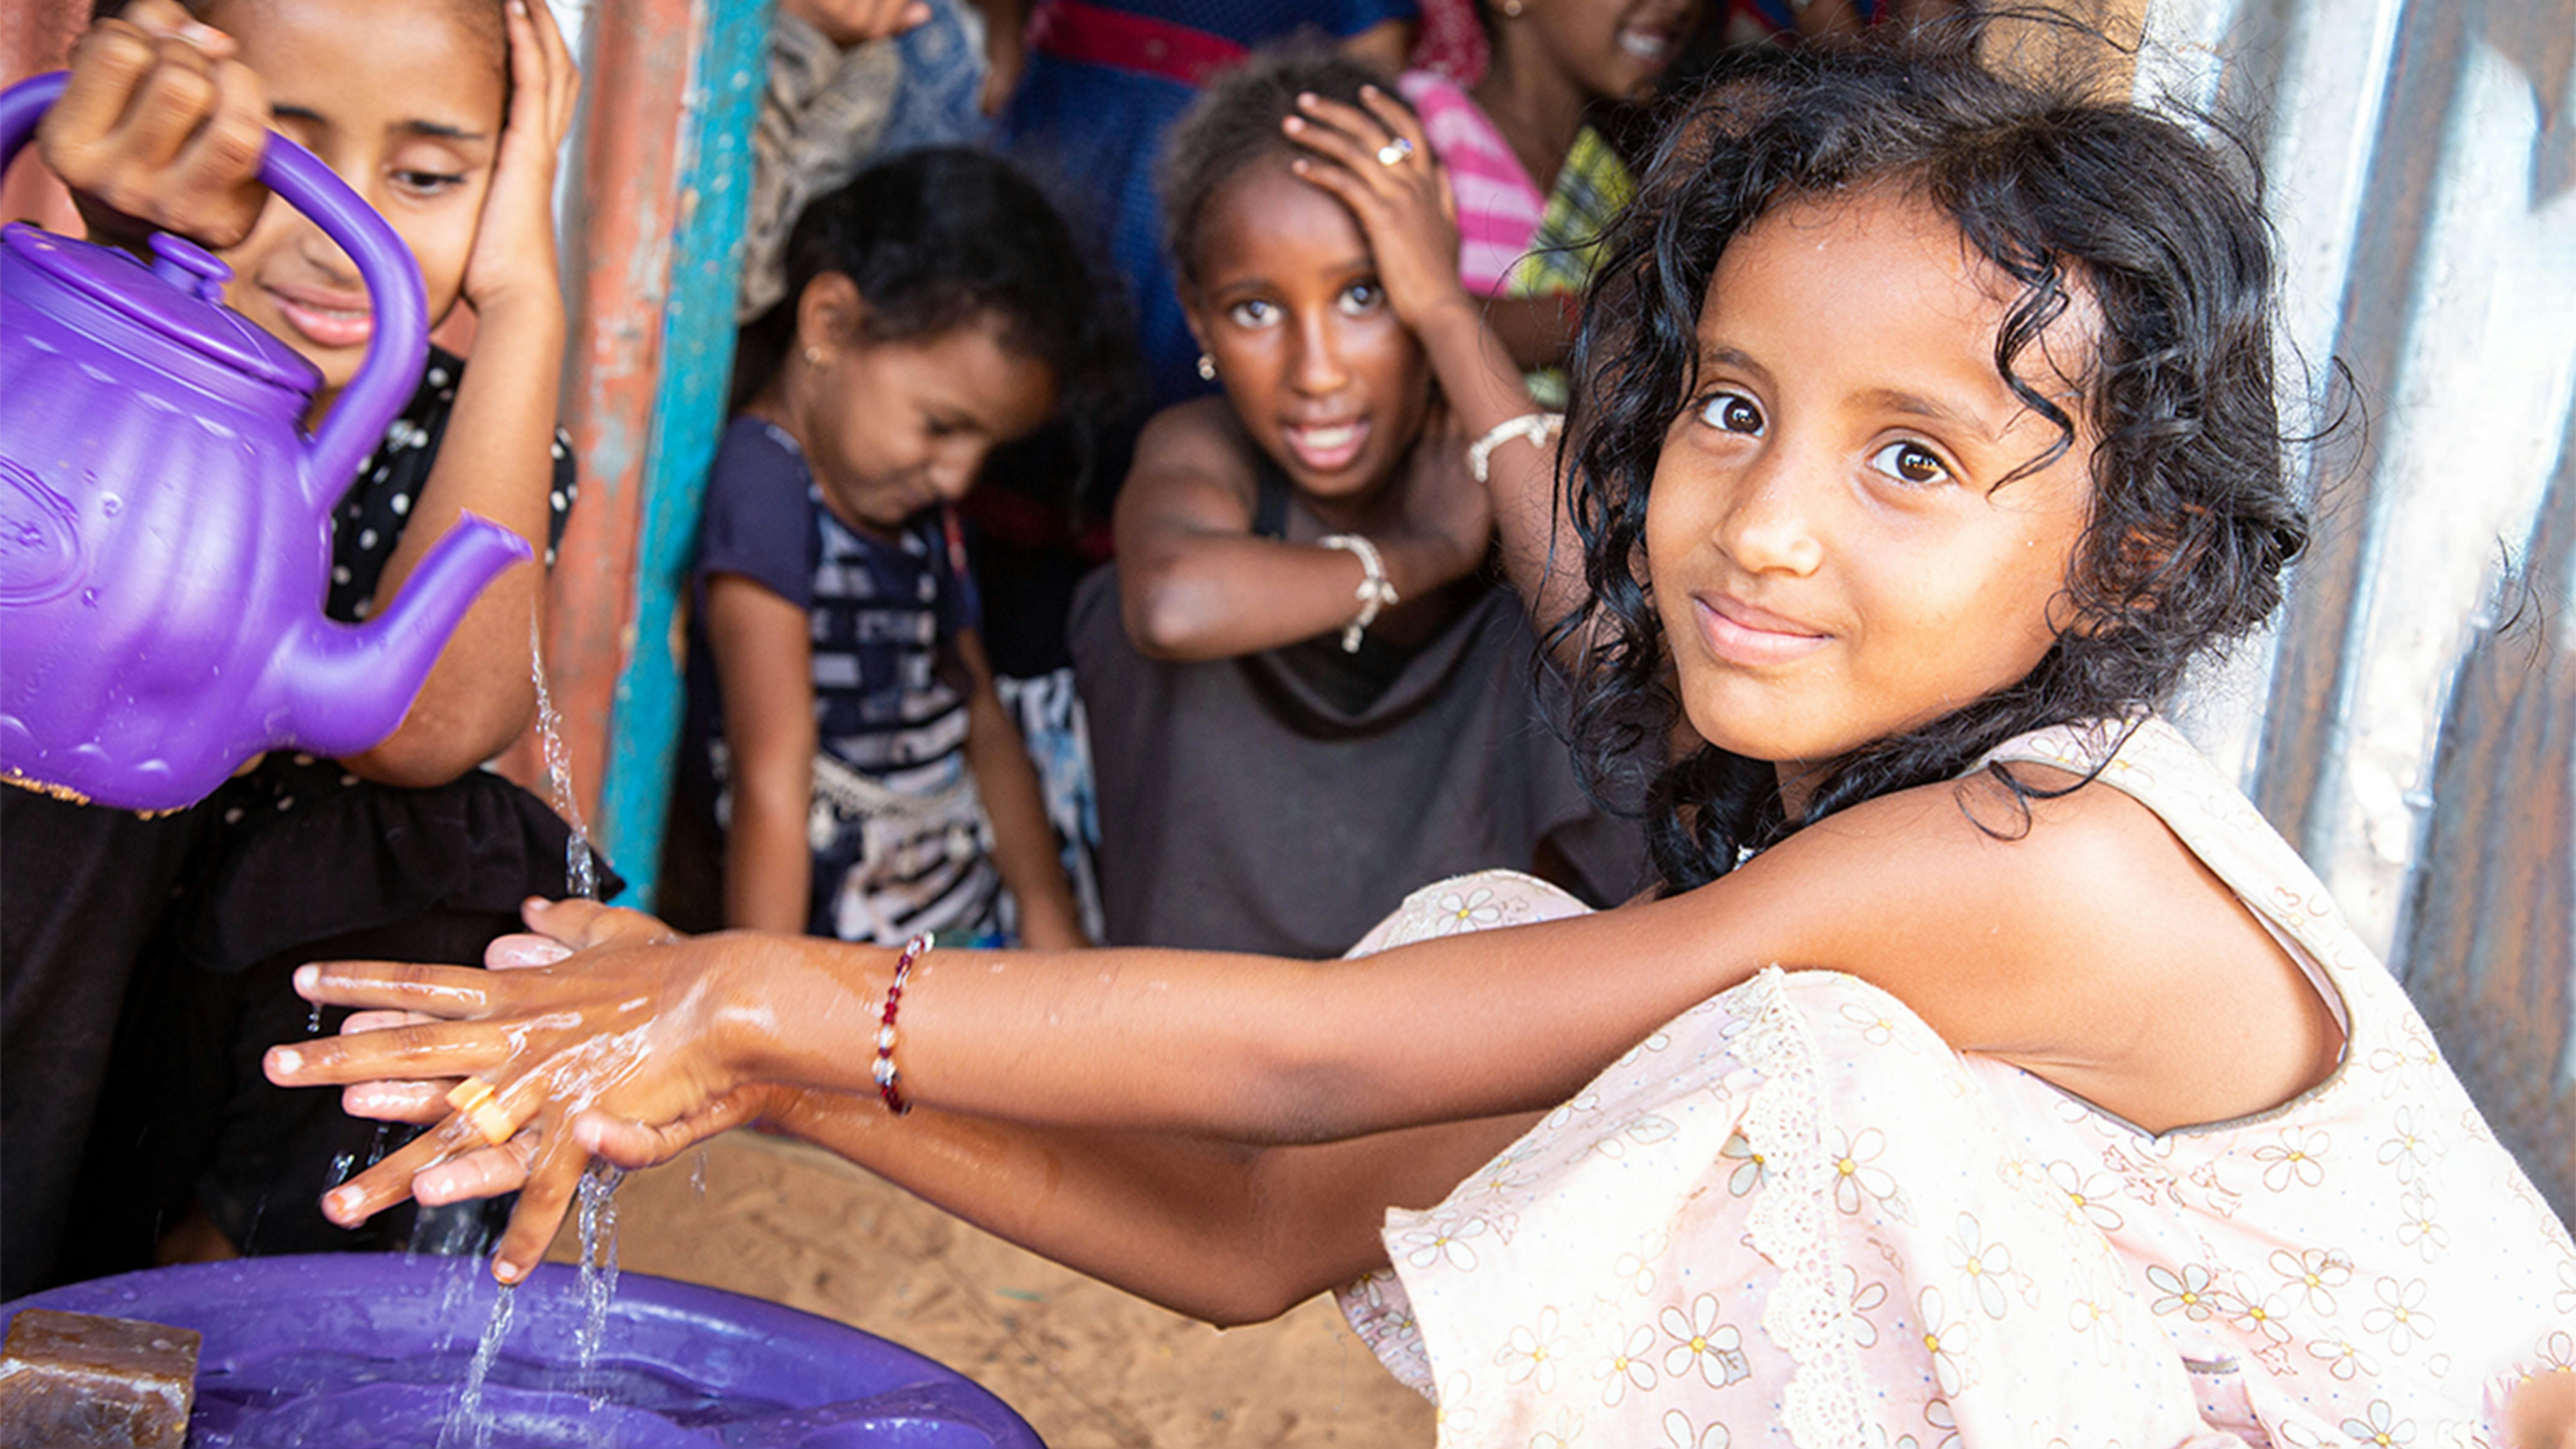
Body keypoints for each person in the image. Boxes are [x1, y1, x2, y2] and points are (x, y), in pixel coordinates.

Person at [273, 31, 2576, 1448]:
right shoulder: (1809, 879)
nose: (1754, 525)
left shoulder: (2017, 864)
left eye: (1907, 462)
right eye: (1729, 410)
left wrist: (770, 979)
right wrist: (761, 1070)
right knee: (1631, 1022)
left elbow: (1299, 1072)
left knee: (1780, 1090)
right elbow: (1267, 1224)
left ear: (2127, 562)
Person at [6, 0, 592, 1284]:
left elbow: (435, 723)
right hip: (47, 984)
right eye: (285, 155)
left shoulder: (454, 422)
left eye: (429, 176)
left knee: (467, 849)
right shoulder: (69, 317)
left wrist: (524, 298)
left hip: (219, 1041)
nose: (351, 236)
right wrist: (116, 229)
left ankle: (239, 1279)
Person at [1073, 48, 1640, 955]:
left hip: (1440, 1010)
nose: (1318, 371)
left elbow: (1612, 652)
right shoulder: (1203, 448)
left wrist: (1447, 312)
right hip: (1210, 996)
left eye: (1365, 295)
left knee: (1566, 629)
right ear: (1194, 316)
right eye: (1256, 311)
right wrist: (1425, 555)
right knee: (1116, 610)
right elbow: (1174, 604)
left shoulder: (1491, 451)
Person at [666, 150, 1103, 950]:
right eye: (941, 426)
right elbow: (775, 773)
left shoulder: (914, 503)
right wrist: (758, 1011)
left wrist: (1052, 930)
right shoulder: (766, 485)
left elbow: (982, 718)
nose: (960, 475)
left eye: (985, 447)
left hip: (955, 907)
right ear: (830, 323)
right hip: (845, 947)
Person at [996, 0, 1418, 409]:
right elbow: (998, 60)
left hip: (1219, 215)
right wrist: (1001, 53)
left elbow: (1367, 110)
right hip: (1056, 157)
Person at [1399, 0, 1703, 403]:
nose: (1679, 5)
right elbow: (1400, 332)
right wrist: (1619, 310)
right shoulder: (1423, 127)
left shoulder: (1615, 180)